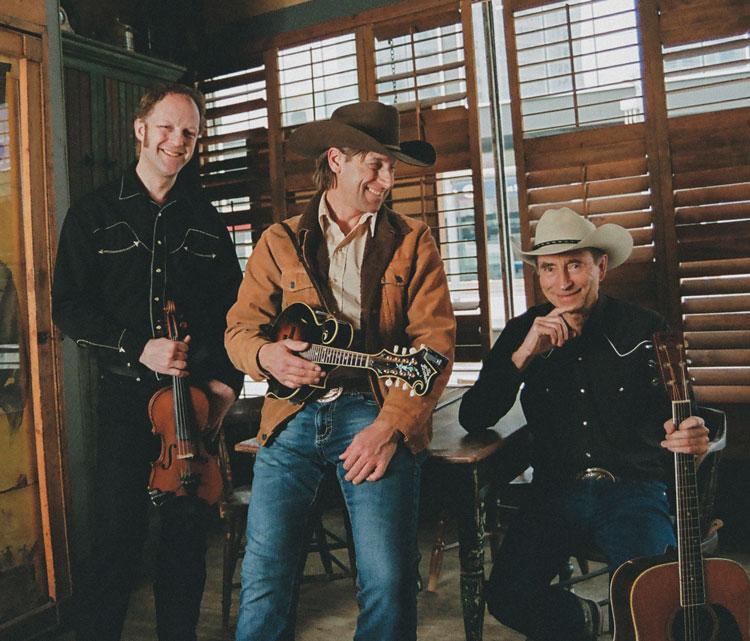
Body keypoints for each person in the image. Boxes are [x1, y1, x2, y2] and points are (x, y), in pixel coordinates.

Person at [224, 101, 456, 641]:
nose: (387, 181)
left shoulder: (413, 240)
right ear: (336, 160)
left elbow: (435, 346)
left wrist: (390, 427)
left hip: (374, 412)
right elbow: (239, 331)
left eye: (391, 168)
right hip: (290, 416)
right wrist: (265, 357)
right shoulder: (279, 241)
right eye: (376, 165)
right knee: (263, 578)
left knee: (388, 580)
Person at [459, 207, 711, 641]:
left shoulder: (645, 327)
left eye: (575, 265)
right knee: (505, 597)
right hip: (555, 491)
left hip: (634, 490)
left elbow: (686, 414)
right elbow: (474, 416)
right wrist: (523, 355)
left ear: (601, 267)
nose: (563, 282)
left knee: (653, 600)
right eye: (549, 268)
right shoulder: (522, 330)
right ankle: (589, 621)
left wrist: (691, 433)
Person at [52, 83, 244, 641]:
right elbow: (68, 305)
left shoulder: (206, 219)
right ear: (140, 130)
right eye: (166, 127)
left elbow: (235, 310)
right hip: (124, 398)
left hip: (192, 402)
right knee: (116, 538)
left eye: (189, 133)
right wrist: (137, 346)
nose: (176, 141)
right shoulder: (93, 213)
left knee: (185, 542)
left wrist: (226, 382)